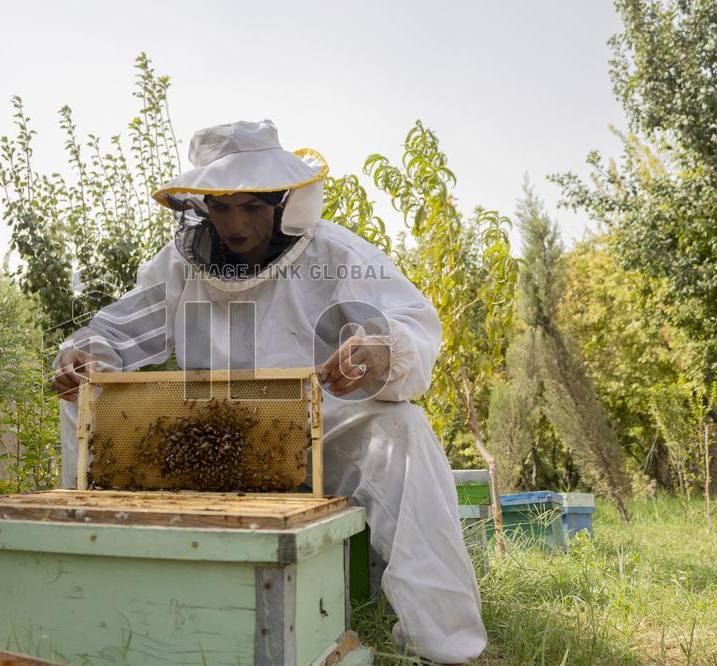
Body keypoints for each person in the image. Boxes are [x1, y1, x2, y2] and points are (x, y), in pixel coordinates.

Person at [51, 119, 486, 664]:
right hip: (205, 433)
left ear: (282, 202)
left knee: (403, 430)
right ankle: (81, 591)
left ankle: (443, 645)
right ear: (202, 205)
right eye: (222, 207)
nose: (236, 224)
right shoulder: (178, 266)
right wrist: (82, 355)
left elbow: (412, 324)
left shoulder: (337, 254)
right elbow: (115, 333)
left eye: (252, 206)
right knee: (85, 400)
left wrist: (379, 349)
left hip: (318, 429)